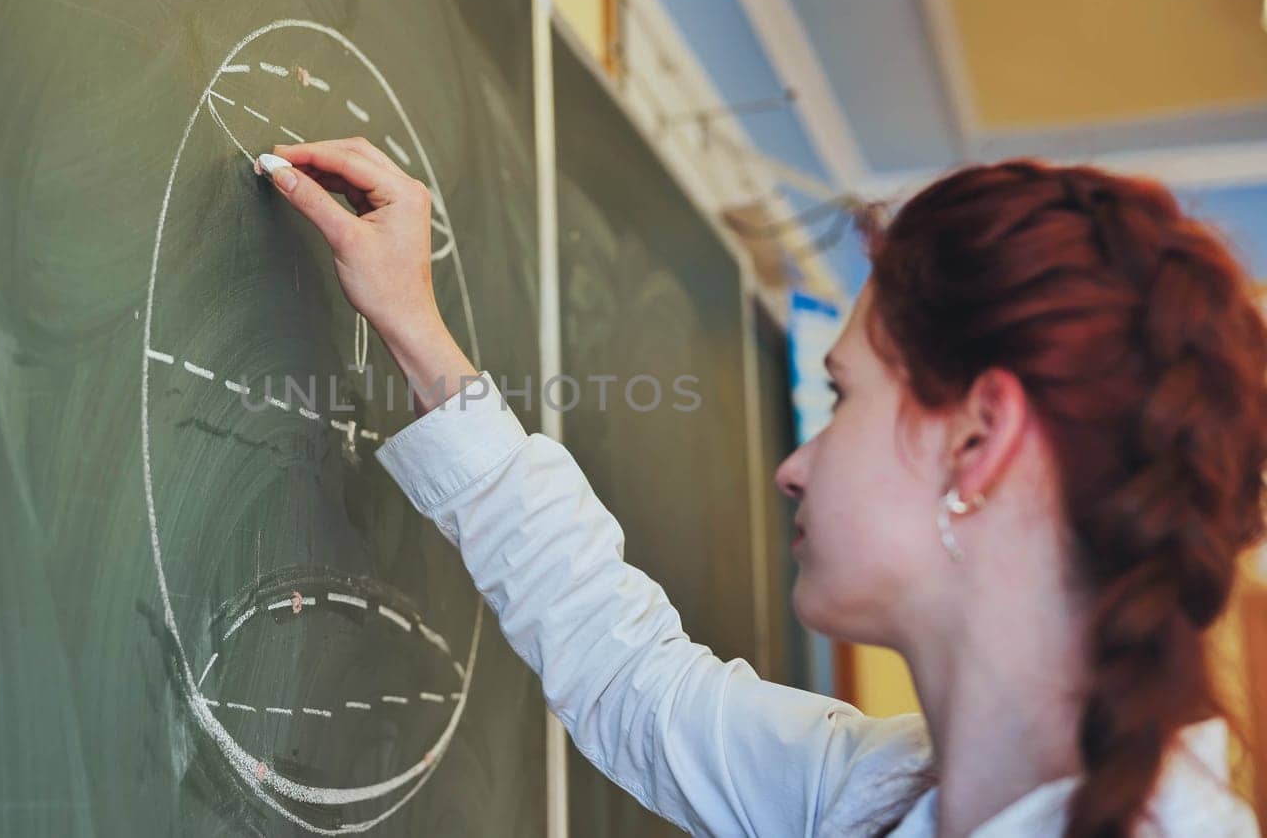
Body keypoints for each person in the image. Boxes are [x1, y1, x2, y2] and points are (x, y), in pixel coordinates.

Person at [259, 138, 1265, 837]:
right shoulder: (884, 792)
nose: (795, 465)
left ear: (976, 440)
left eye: (844, 396)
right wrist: (415, 331)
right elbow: (634, 684)